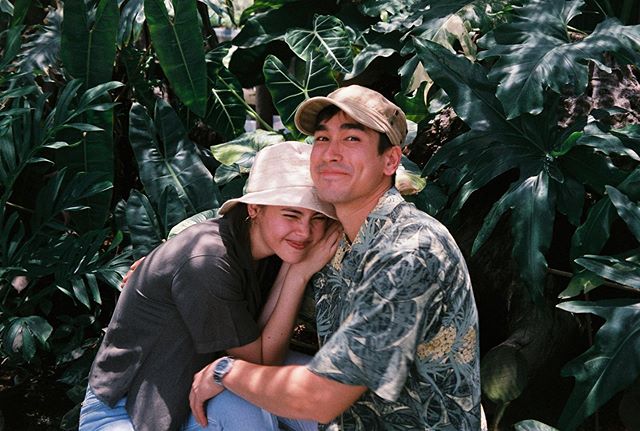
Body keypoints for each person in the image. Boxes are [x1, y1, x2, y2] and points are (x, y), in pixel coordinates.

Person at [189, 85, 482, 430]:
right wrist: (170, 265)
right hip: (354, 420)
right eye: (322, 139)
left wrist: (226, 371)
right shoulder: (338, 238)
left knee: (228, 392)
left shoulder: (410, 250)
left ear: (390, 160)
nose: (330, 153)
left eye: (352, 138)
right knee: (227, 404)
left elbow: (320, 398)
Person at [78, 141, 340, 431]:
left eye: (318, 217)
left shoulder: (269, 245)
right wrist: (297, 274)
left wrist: (292, 266)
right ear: (255, 208)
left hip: (199, 391)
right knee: (245, 402)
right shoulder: (208, 261)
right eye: (291, 214)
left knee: (327, 389)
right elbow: (257, 366)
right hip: (125, 412)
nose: (304, 231)